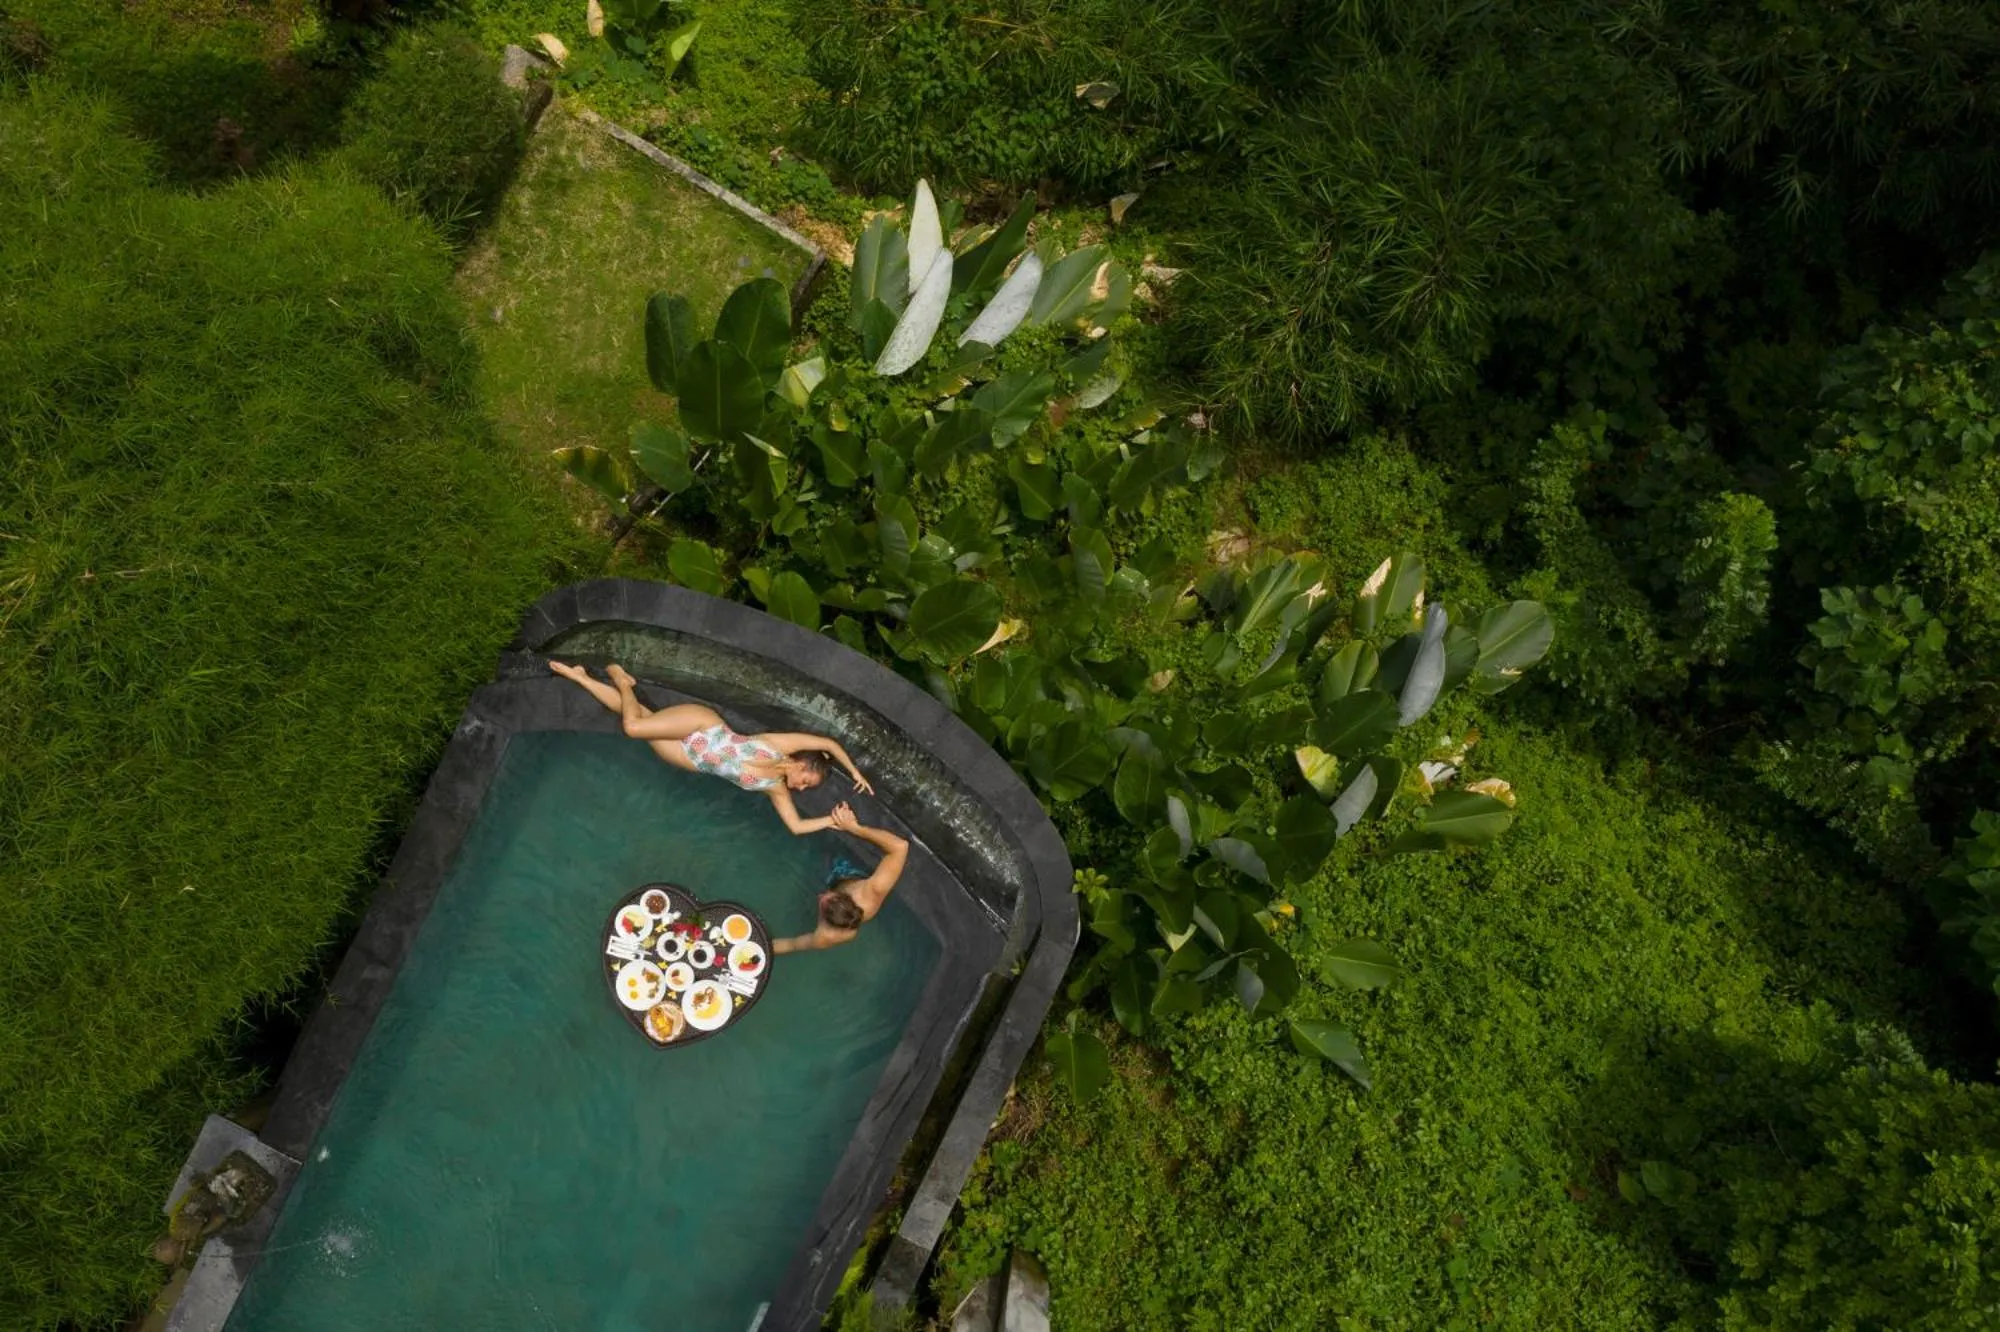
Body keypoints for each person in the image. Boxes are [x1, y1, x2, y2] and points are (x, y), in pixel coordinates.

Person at [548, 660, 872, 835]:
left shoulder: (774, 788)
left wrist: (833, 821)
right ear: (805, 765)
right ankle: (620, 678)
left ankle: (582, 678)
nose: (801, 788)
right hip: (704, 727)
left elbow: (796, 826)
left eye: (805, 788)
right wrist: (854, 771)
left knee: (637, 717)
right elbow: (828, 742)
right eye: (807, 780)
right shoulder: (780, 746)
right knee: (634, 727)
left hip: (690, 758)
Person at [773, 803, 908, 954]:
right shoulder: (871, 892)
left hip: (838, 880)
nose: (820, 895)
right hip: (850, 873)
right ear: (845, 897)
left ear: (826, 921)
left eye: (821, 902)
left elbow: (793, 944)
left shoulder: (827, 936)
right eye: (827, 897)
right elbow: (900, 847)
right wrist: (854, 828)